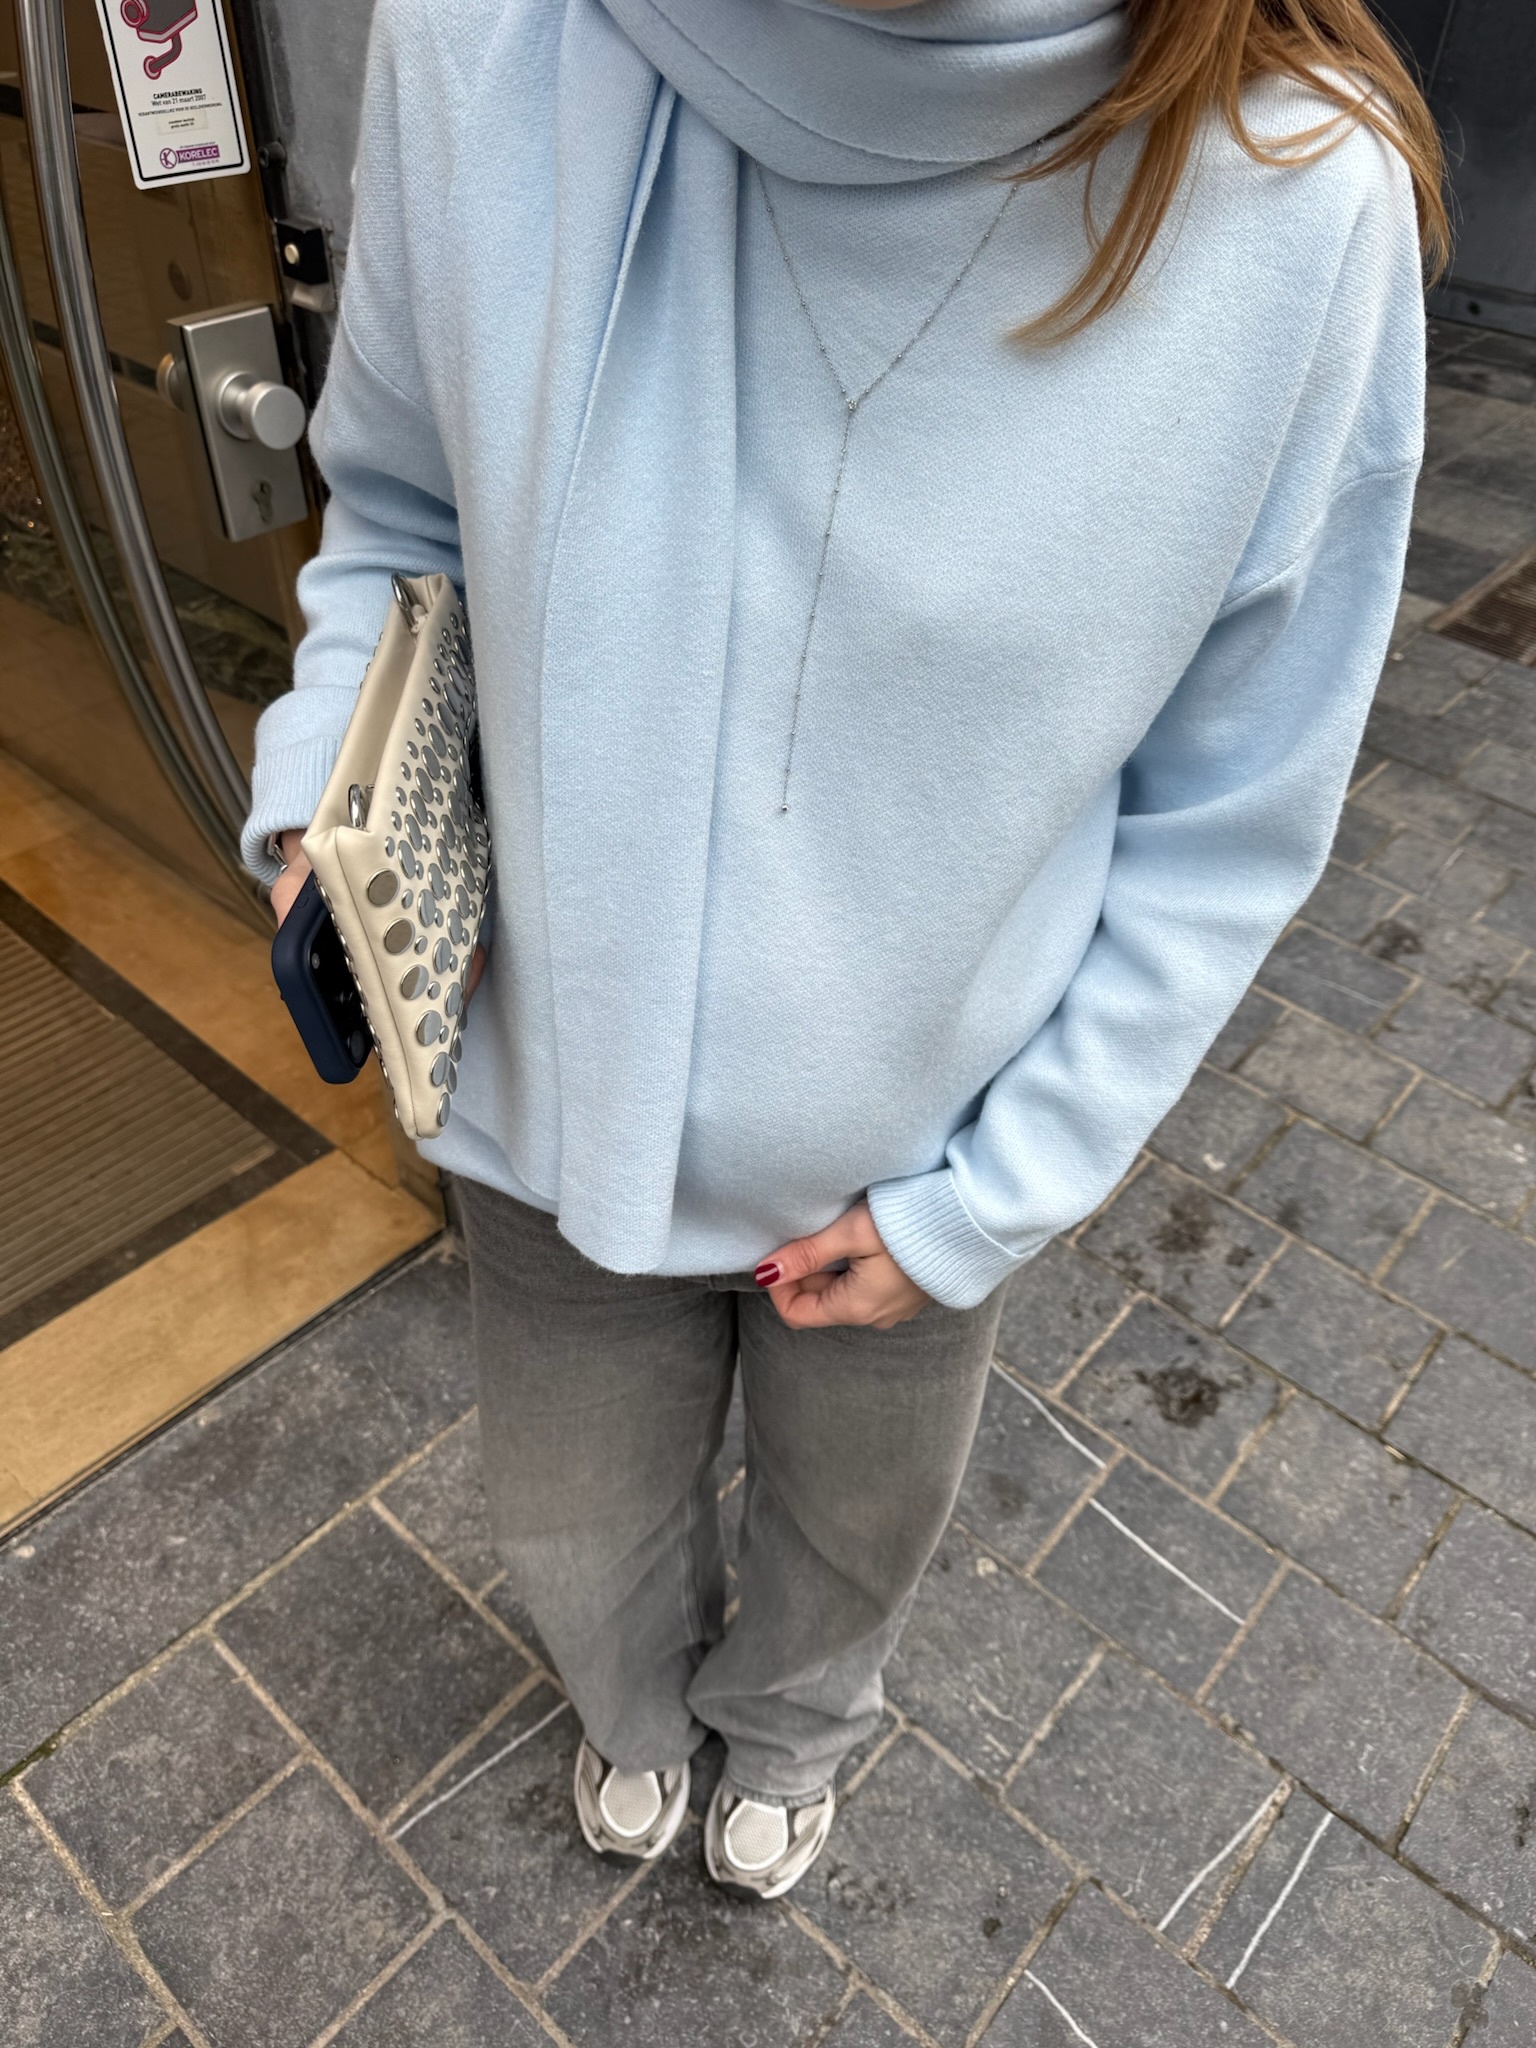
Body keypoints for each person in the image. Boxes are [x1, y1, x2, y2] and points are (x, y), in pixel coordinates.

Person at [248, 0, 1445, 1900]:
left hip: (923, 1156)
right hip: (541, 1087)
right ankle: (631, 1709)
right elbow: (399, 504)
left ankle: (797, 1728)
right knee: (571, 1520)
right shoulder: (483, 39)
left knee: (859, 1525)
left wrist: (1002, 1188)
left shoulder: (1297, 188)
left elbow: (1231, 811)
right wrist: (333, 794)